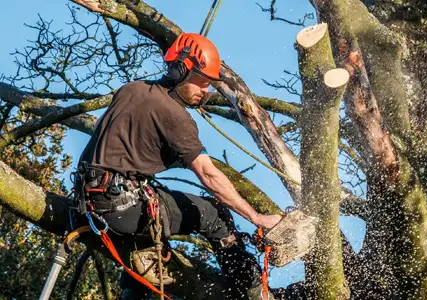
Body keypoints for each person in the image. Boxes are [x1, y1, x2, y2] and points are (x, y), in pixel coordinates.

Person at [74, 32, 282, 299]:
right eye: (202, 83)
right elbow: (208, 174)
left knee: (147, 244)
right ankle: (255, 293)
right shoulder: (174, 115)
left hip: (88, 202)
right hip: (121, 207)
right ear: (181, 71)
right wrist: (258, 218)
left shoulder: (131, 90)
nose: (205, 92)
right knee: (214, 214)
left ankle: (130, 294)